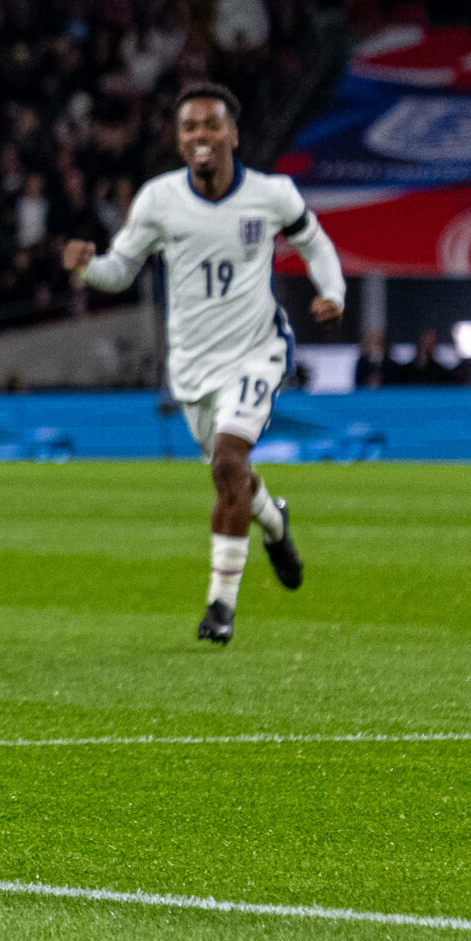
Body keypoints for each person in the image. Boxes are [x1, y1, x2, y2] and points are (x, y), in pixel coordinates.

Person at [63, 83, 346, 646]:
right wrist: (87, 268)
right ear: (178, 139)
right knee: (232, 477)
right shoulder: (158, 201)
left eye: (211, 126)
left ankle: (221, 608)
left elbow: (315, 243)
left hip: (256, 353)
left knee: (227, 462)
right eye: (190, 127)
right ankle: (275, 522)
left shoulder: (272, 195)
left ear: (233, 135)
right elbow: (121, 270)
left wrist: (331, 291)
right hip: (192, 367)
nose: (201, 136)